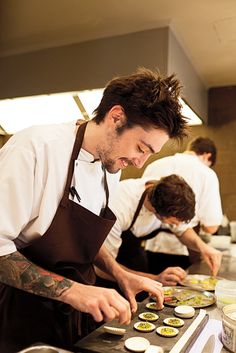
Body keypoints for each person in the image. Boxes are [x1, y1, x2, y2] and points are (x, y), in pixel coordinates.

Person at [0, 68, 188, 353]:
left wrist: (120, 273)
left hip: (75, 318)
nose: (140, 163)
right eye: (141, 147)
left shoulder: (111, 166)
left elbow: (82, 240)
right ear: (116, 117)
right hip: (23, 318)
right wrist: (74, 291)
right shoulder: (35, 148)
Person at [97, 174, 222, 290]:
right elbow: (102, 268)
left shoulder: (165, 193)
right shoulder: (118, 207)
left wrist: (203, 248)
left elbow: (182, 231)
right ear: (157, 213)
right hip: (106, 269)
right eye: (173, 223)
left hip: (133, 254)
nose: (177, 226)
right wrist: (155, 279)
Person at [142, 136, 223, 274]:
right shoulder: (207, 174)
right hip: (184, 251)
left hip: (150, 247)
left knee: (151, 292)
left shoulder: (155, 164)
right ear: (207, 155)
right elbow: (211, 227)